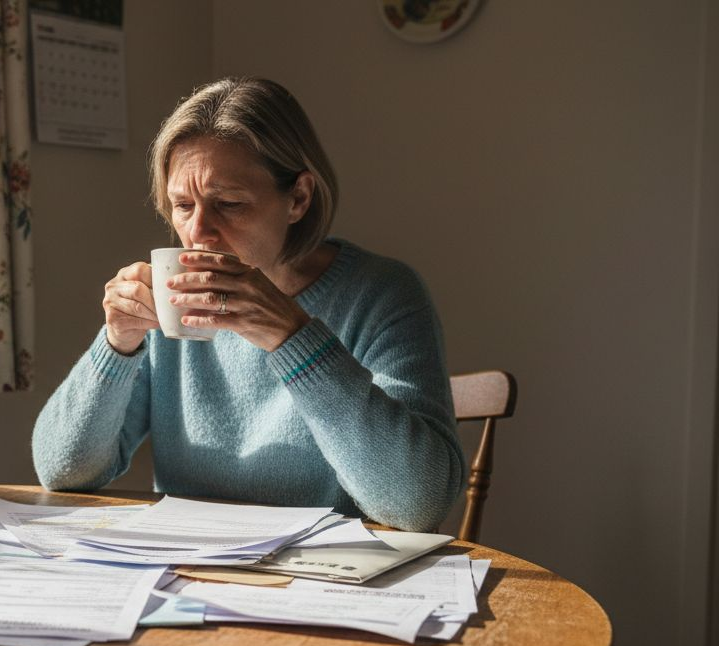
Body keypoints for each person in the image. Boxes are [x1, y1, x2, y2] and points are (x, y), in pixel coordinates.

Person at [31, 77, 463, 532]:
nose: (199, 232)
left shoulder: (381, 294)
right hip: (186, 569)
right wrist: (117, 344)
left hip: (323, 582)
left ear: (298, 198)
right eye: (182, 205)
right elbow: (63, 472)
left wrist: (292, 338)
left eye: (229, 203)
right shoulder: (171, 302)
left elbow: (420, 504)